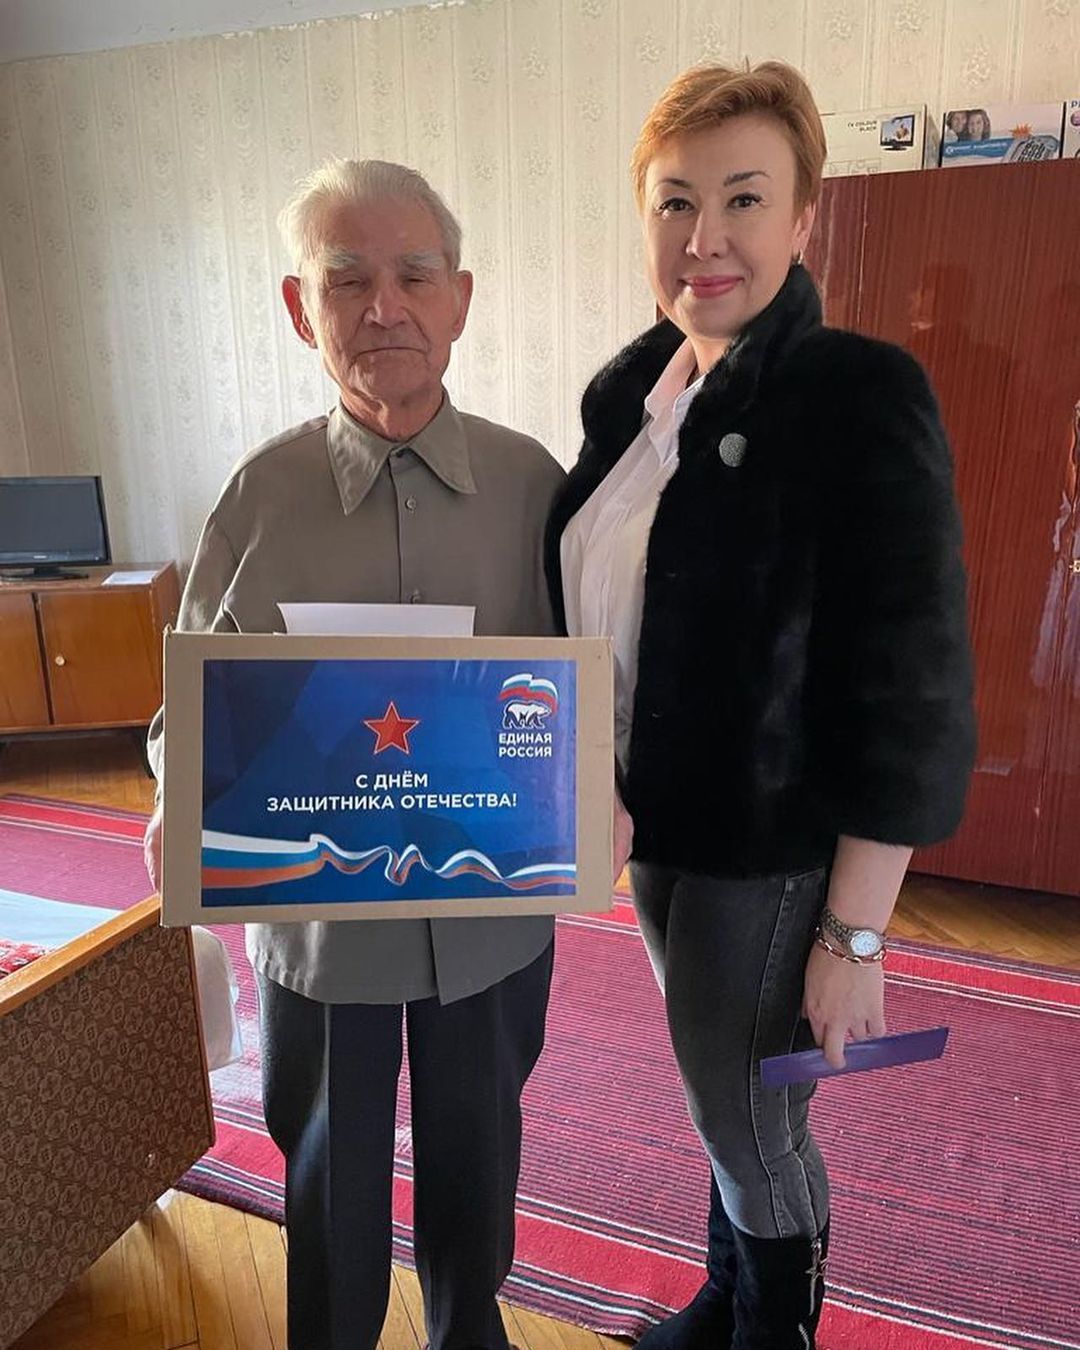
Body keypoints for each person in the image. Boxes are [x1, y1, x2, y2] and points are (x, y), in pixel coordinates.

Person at [545, 62, 975, 1349]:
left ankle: (772, 1329)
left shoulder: (857, 394)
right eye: (675, 202)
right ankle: (727, 1298)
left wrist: (856, 937)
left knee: (745, 1114)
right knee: (724, 1088)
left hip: (772, 846)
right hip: (659, 830)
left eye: (743, 198)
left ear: (802, 217)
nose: (706, 237)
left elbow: (909, 686)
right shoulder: (633, 401)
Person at [144, 157, 565, 1350]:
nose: (386, 307)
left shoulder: (536, 487)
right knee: (330, 1174)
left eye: (415, 276)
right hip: (320, 922)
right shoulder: (258, 497)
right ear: (301, 308)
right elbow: (190, 707)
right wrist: (182, 796)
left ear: (460, 298)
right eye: (348, 280)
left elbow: (592, 691)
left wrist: (607, 785)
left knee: (478, 1166)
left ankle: (465, 1333)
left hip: (492, 917)